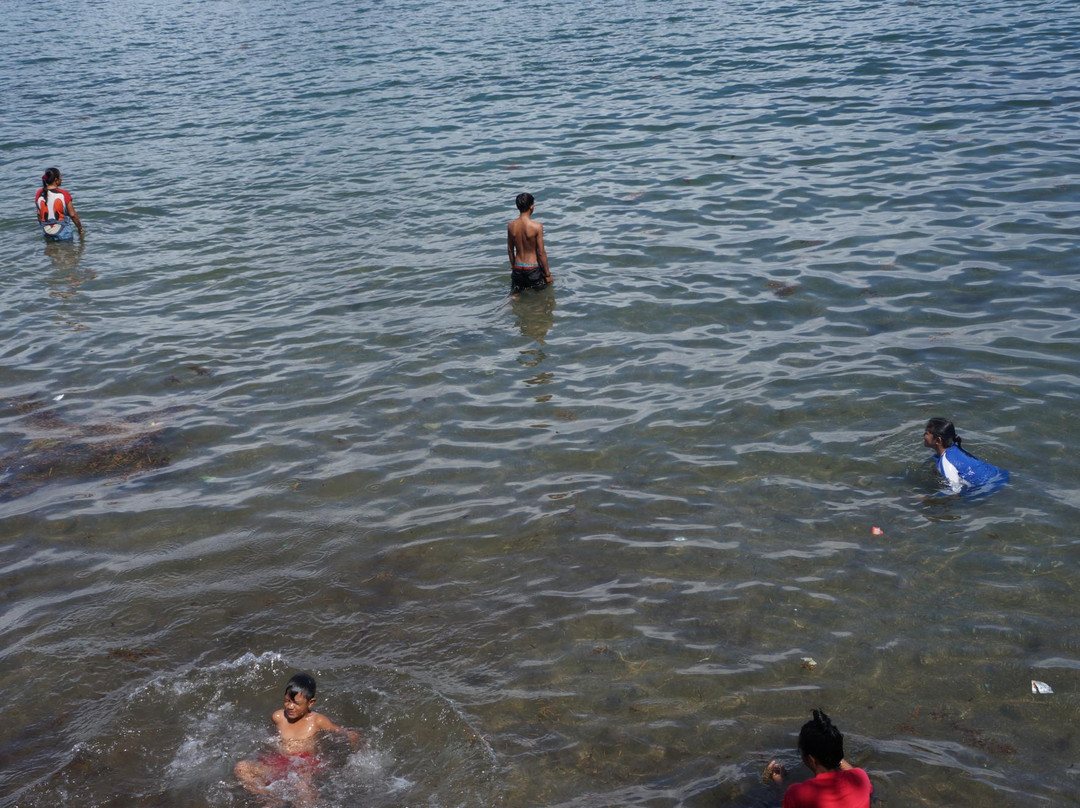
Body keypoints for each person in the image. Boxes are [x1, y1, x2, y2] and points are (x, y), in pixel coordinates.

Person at [234, 673, 360, 806]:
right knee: (241, 768)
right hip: (280, 762)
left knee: (302, 788)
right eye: (287, 701)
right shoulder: (278, 717)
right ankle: (271, 799)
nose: (290, 706)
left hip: (304, 766)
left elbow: (344, 733)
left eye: (296, 703)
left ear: (311, 703)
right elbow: (270, 739)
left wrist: (354, 744)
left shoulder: (318, 721)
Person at [764, 709, 872, 808]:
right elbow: (850, 771)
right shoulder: (861, 778)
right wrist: (832, 750)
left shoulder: (797, 793)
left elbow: (785, 803)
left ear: (811, 760)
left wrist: (779, 784)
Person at [923, 417, 1009, 494]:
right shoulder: (956, 449)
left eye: (926, 433)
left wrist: (928, 499)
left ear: (938, 440)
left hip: (990, 487)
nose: (923, 435)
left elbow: (954, 492)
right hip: (1000, 475)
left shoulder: (946, 462)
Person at [507, 192, 552, 293]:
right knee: (539, 298)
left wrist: (514, 268)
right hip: (533, 269)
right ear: (531, 207)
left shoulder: (511, 226)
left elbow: (510, 250)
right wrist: (548, 274)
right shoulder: (537, 227)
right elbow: (541, 252)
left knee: (516, 297)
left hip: (518, 267)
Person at [35, 168, 84, 241]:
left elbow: (39, 214)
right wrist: (80, 229)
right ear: (56, 180)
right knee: (68, 251)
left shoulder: (39, 193)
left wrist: (43, 227)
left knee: (51, 251)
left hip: (46, 230)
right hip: (63, 231)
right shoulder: (63, 194)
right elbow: (73, 215)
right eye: (61, 176)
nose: (62, 178)